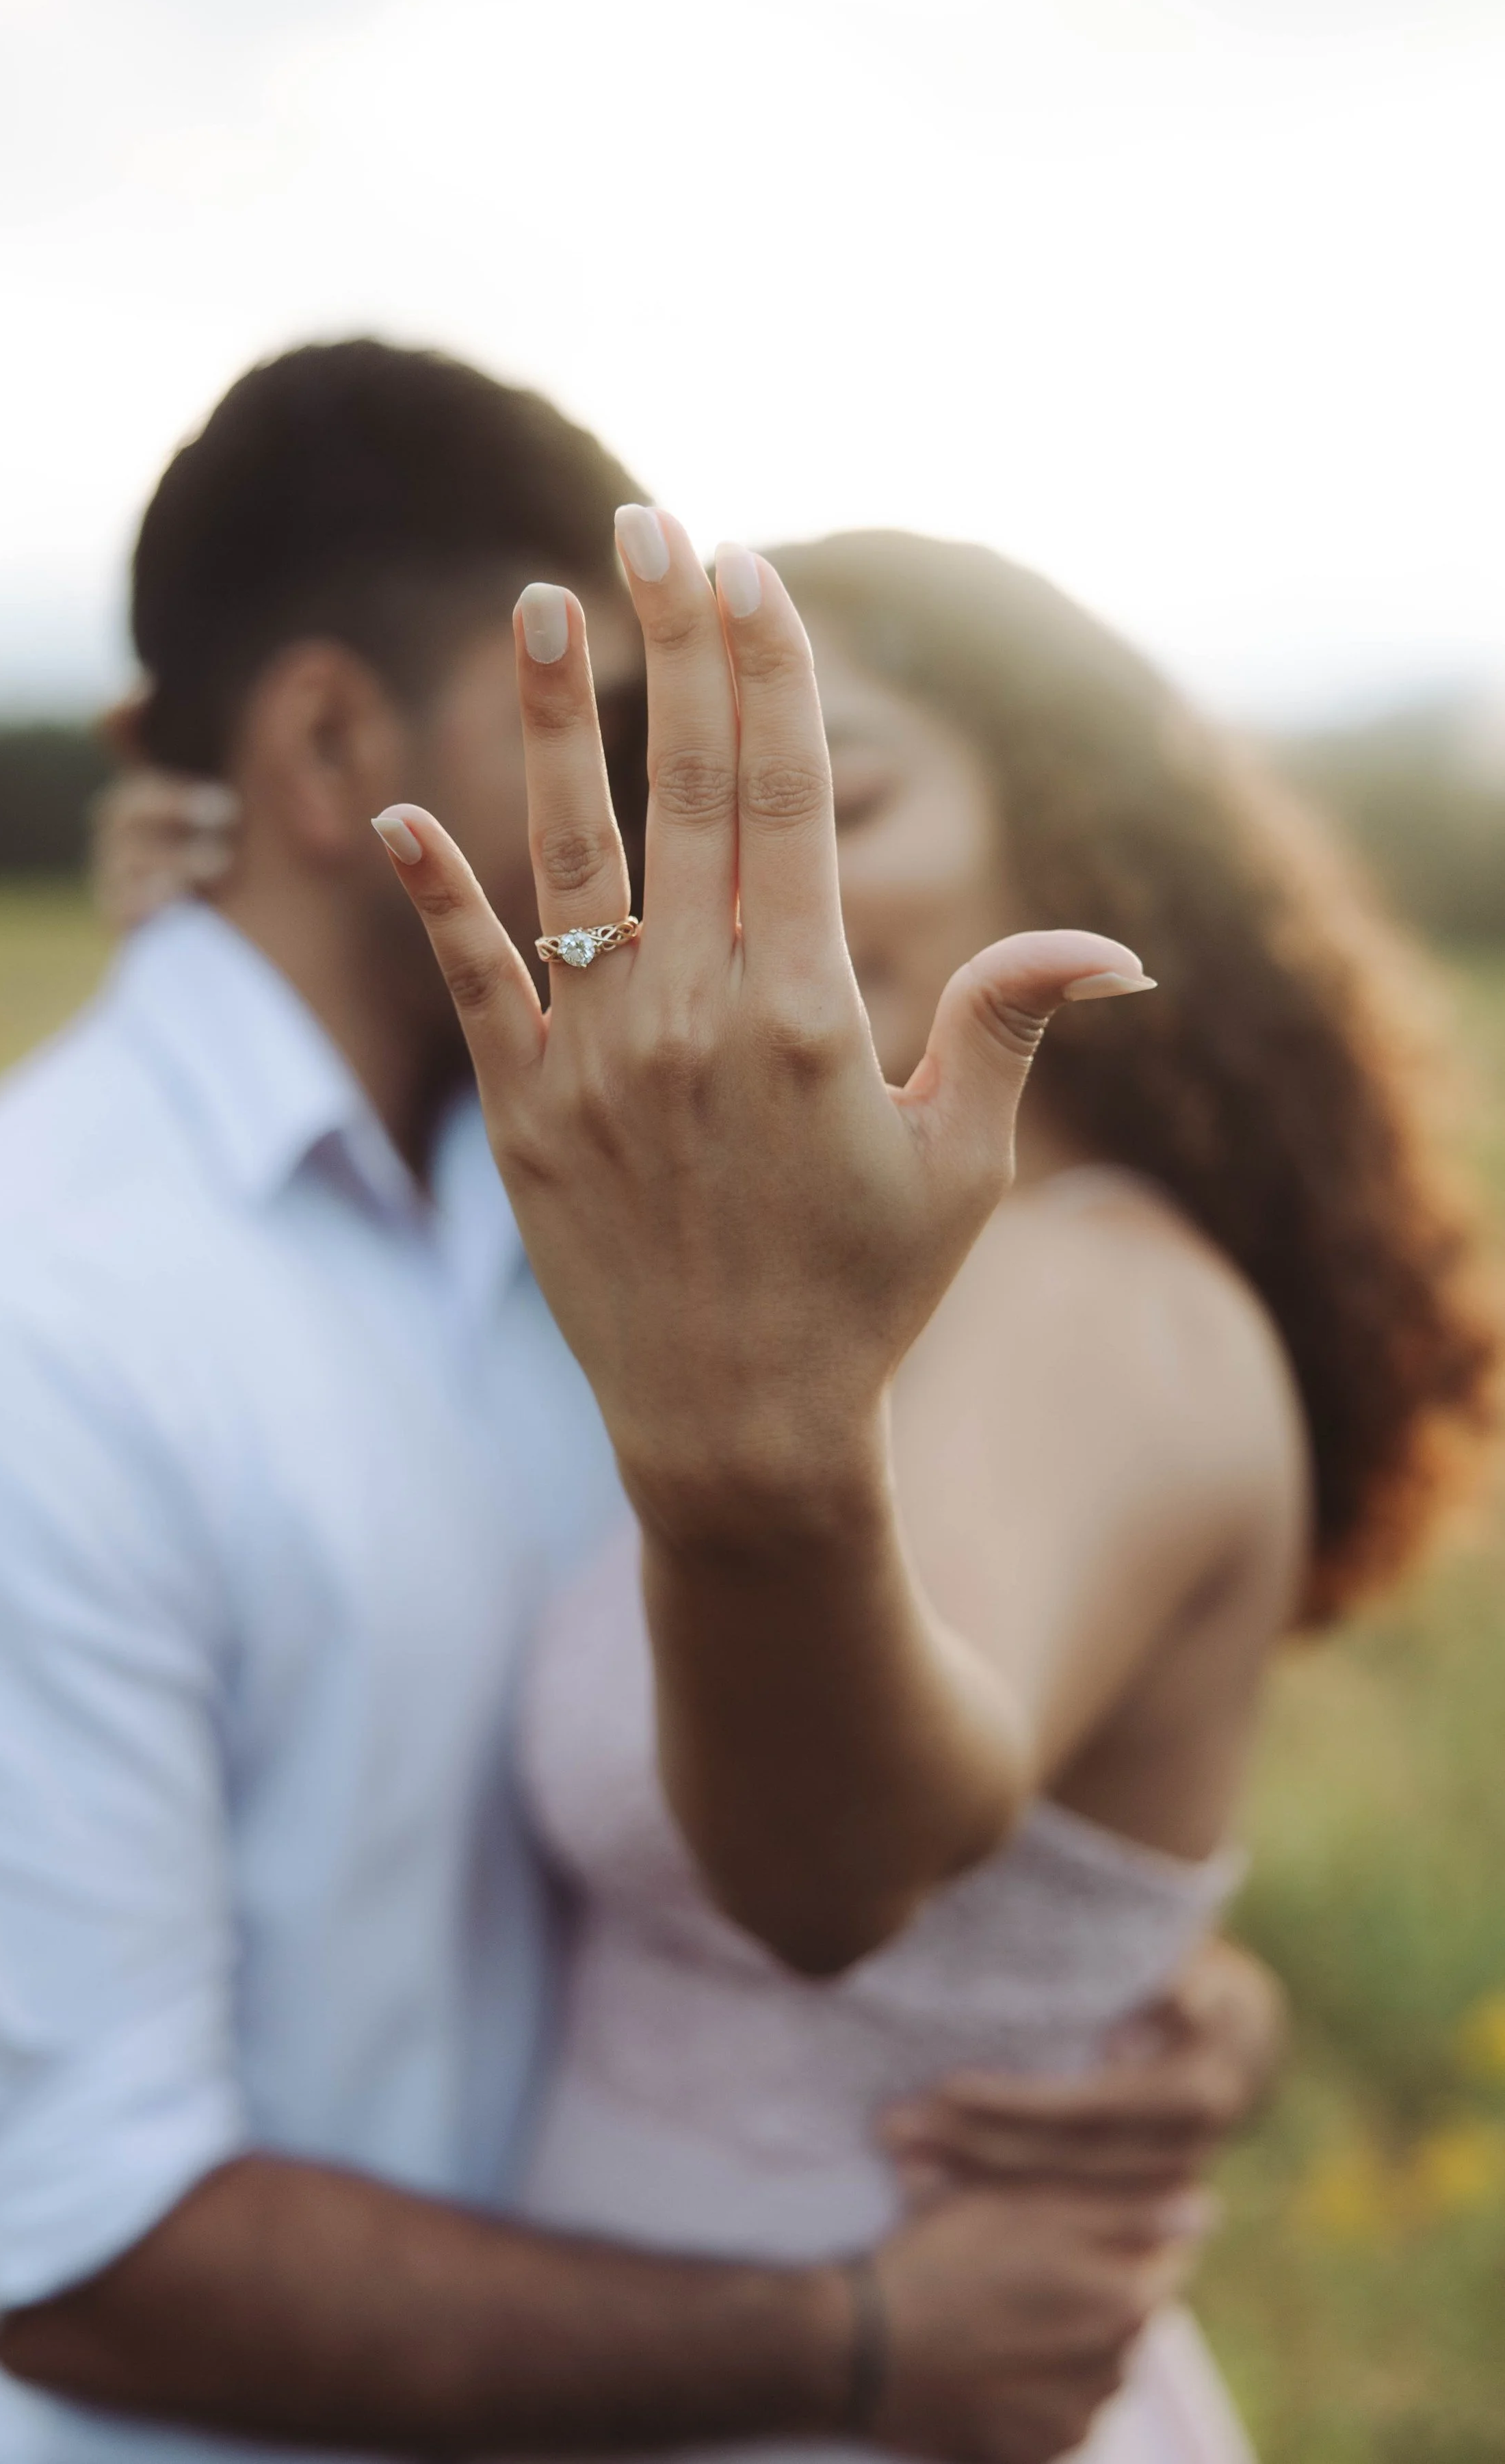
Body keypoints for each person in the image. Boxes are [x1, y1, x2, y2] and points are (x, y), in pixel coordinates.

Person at [0, 343, 1279, 2464]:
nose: (685, 843)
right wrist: (848, 2338)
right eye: (605, 741)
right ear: (328, 740)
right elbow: (82, 2250)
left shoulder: (598, 1199)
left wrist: (1114, 1978)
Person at [356, 519, 1494, 2459]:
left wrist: (747, 1457)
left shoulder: (1108, 1303)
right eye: (684, 842)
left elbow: (827, 1877)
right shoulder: (854, 1293)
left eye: (842, 797)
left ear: (1070, 831)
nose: (751, 899)